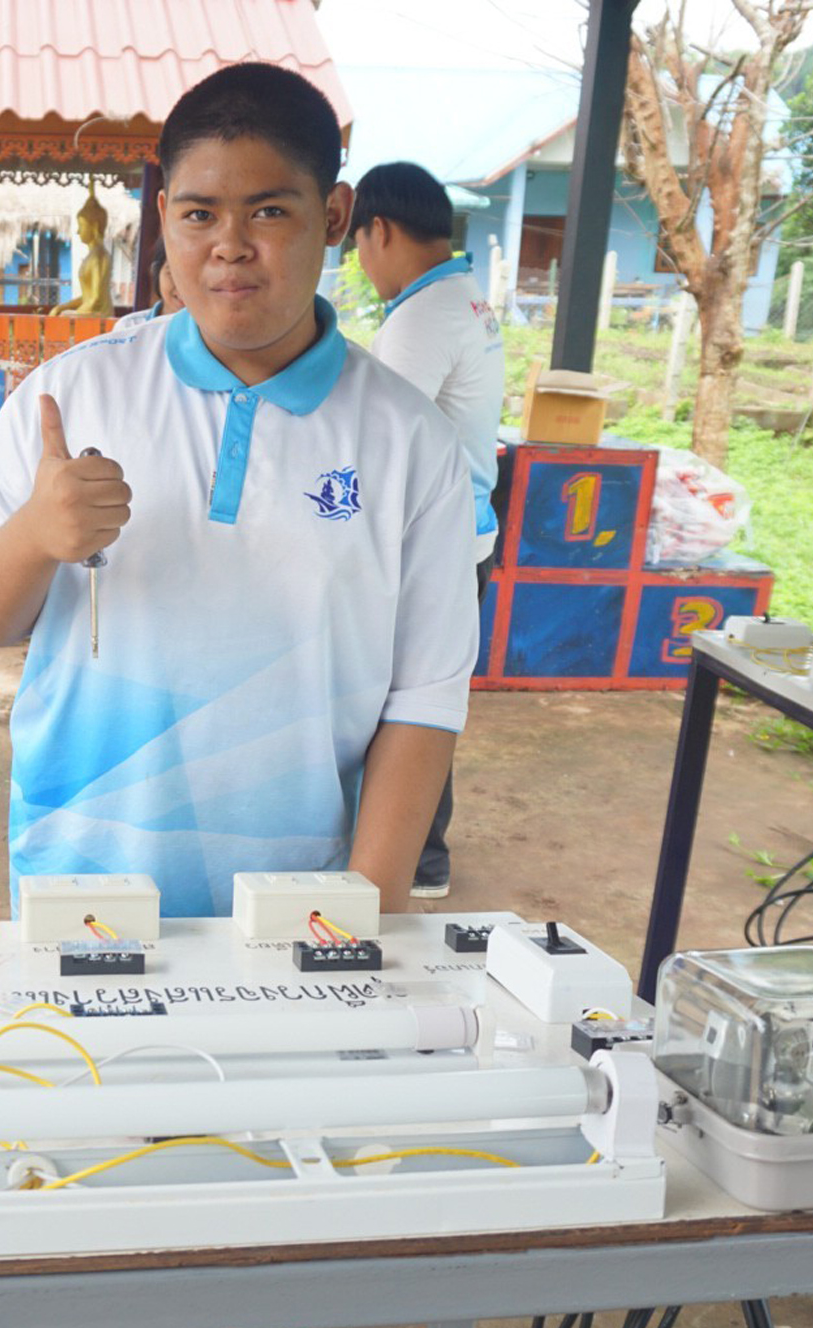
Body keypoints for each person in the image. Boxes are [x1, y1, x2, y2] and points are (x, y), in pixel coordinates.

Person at [0, 63, 476, 921]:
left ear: (333, 218)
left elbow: (423, 701)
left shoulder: (411, 443)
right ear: (163, 221)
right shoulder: (70, 396)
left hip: (297, 902)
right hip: (80, 879)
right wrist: (35, 535)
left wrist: (358, 916)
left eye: (269, 210)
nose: (229, 246)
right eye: (198, 215)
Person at [348, 161, 506, 898]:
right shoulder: (466, 298)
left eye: (358, 245)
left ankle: (421, 856)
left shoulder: (421, 319)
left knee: (411, 696)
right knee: (431, 687)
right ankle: (425, 849)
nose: (362, 265)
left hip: (434, 541)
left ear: (378, 229)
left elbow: (376, 443)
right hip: (468, 530)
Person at [112, 238, 185, 330]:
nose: (183, 288)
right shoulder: (129, 327)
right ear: (156, 272)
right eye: (173, 274)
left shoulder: (208, 331)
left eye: (194, 276)